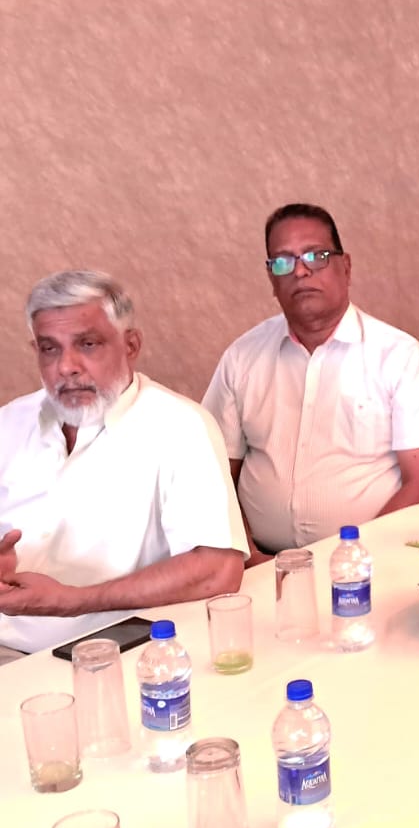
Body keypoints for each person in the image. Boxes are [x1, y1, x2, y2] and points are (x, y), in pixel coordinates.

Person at [0, 270, 247, 656]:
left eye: (87, 344)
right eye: (50, 348)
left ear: (131, 345)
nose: (66, 366)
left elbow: (217, 571)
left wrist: (72, 600)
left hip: (106, 656)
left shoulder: (180, 427)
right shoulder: (9, 422)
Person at [203, 203, 419, 562]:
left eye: (316, 256)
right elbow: (214, 472)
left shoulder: (398, 355)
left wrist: (356, 557)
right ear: (271, 278)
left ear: (345, 267)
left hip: (370, 564)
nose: (300, 271)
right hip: (261, 564)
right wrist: (248, 556)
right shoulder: (242, 357)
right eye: (282, 262)